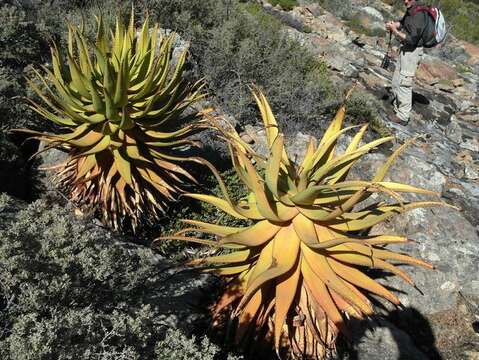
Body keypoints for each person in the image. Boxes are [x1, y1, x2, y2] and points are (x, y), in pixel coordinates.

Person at [385, 0, 435, 125]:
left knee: (404, 83)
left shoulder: (419, 14)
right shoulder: (412, 10)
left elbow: (412, 39)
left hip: (412, 52)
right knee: (397, 80)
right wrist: (395, 25)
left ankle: (403, 116)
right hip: (406, 50)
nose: (405, 1)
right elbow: (403, 24)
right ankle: (398, 109)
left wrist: (394, 31)